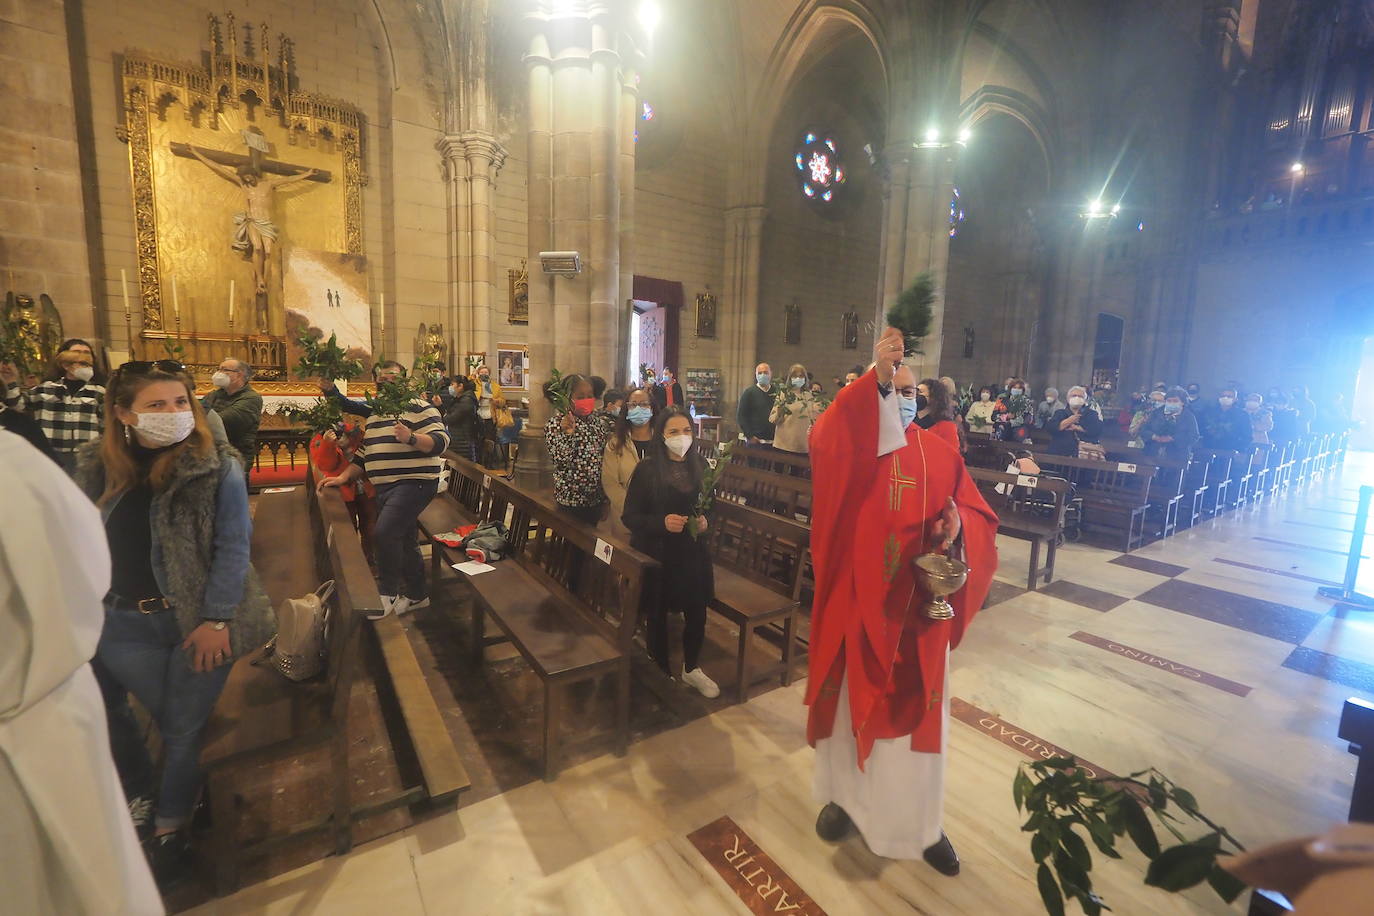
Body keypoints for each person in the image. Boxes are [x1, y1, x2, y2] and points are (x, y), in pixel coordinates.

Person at [73, 359, 274, 885]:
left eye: (181, 402)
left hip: (196, 623)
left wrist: (216, 618)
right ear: (123, 414)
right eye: (157, 405)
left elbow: (234, 546)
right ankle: (148, 793)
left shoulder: (217, 466)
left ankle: (169, 825)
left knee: (182, 729)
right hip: (123, 624)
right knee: (157, 719)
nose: (174, 413)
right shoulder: (97, 468)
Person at [806, 327, 998, 871]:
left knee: (913, 732)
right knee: (849, 718)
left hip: (917, 615)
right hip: (860, 607)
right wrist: (875, 373)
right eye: (893, 390)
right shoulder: (850, 451)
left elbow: (979, 514)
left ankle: (920, 826)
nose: (903, 399)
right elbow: (827, 434)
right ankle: (844, 801)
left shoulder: (940, 454)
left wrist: (956, 529)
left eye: (912, 391)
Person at [1, 430, 162, 915]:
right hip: (49, 698)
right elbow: (86, 562)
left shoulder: (12, 463)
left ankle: (171, 805)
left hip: (40, 707)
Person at [319, 361, 450, 617]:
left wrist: (411, 438)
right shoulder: (377, 411)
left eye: (393, 377)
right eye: (382, 377)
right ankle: (417, 595)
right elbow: (364, 454)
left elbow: (441, 442)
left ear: (405, 380)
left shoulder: (422, 408)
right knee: (405, 539)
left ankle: (387, 591)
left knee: (385, 532)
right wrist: (342, 477)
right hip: (385, 487)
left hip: (415, 482)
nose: (386, 381)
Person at [621, 407, 720, 698]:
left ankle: (692, 668)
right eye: (674, 432)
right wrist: (660, 523)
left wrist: (705, 521)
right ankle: (660, 667)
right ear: (661, 436)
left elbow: (712, 506)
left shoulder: (701, 465)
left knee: (697, 611)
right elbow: (630, 517)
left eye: (687, 431)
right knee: (658, 613)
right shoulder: (648, 469)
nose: (682, 437)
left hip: (693, 552)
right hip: (658, 553)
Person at [2, 348, 105, 472]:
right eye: (83, 364)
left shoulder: (98, 391)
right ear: (66, 366)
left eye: (89, 365)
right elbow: (18, 405)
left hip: (86, 453)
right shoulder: (45, 389)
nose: (87, 368)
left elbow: (105, 422)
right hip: (54, 452)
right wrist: (11, 382)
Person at [544, 372, 615, 524]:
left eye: (590, 396)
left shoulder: (598, 423)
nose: (586, 400)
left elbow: (605, 460)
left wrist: (606, 499)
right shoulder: (556, 424)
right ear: (567, 398)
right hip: (570, 500)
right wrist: (569, 434)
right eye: (580, 397)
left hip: (596, 498)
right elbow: (561, 460)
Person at [308, 419, 378, 568]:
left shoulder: (354, 431)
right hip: (342, 490)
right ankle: (351, 566)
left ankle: (371, 561)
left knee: (371, 525)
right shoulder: (320, 438)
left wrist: (353, 440)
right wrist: (328, 444)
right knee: (347, 530)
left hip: (366, 485)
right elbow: (326, 465)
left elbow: (369, 450)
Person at [603, 387, 655, 538]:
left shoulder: (662, 442)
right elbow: (610, 483)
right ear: (626, 410)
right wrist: (634, 507)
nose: (638, 408)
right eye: (633, 405)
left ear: (652, 408)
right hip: (624, 518)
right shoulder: (615, 444)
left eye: (644, 404)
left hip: (656, 519)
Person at [201, 357, 263, 475]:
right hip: (212, 454)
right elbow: (198, 413)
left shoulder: (251, 398)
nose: (219, 373)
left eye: (224, 370)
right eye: (219, 369)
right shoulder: (215, 394)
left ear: (239, 375)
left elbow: (222, 422)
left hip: (236, 456)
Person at [769, 363, 824, 455]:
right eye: (795, 376)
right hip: (784, 444)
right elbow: (773, 419)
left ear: (805, 378)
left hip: (802, 446)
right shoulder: (784, 394)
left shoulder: (808, 396)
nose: (798, 378)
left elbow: (812, 419)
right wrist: (780, 410)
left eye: (801, 376)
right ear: (790, 378)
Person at [1141, 388, 1200, 462]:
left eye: (1175, 401)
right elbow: (1144, 430)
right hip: (1153, 453)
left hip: (1177, 456)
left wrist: (1173, 438)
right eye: (1169, 401)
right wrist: (1154, 436)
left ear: (1183, 402)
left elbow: (1194, 436)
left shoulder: (1189, 416)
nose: (1171, 403)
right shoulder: (1156, 413)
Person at [1047, 386, 1103, 456]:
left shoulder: (1092, 414)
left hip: (1084, 454)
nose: (1077, 398)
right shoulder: (1060, 413)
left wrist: (1076, 427)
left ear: (1085, 400)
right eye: (1074, 395)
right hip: (1060, 452)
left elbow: (1096, 430)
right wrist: (1069, 420)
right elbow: (1051, 428)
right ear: (1068, 398)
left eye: (1080, 396)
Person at [911, 376, 961, 452]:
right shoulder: (908, 420)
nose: (916, 396)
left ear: (933, 397)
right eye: (915, 392)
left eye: (920, 392)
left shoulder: (946, 427)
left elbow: (952, 454)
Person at [1201, 386, 1253, 453]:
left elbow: (1247, 436)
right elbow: (1201, 428)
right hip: (1208, 448)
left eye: (1229, 396)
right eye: (1223, 396)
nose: (1225, 398)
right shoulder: (1209, 412)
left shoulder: (1242, 415)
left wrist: (1239, 450)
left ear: (1235, 399)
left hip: (1231, 451)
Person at [473, 363, 505, 469]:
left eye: (486, 372)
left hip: (490, 416)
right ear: (478, 374)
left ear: (489, 374)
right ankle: (478, 463)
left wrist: (495, 400)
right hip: (477, 416)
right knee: (478, 440)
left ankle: (489, 464)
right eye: (481, 372)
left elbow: (503, 402)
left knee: (490, 440)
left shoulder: (495, 386)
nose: (484, 374)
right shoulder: (474, 384)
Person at [737, 362, 776, 445]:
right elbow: (741, 416)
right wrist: (749, 436)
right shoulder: (749, 393)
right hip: (755, 441)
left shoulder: (777, 392)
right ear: (756, 375)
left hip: (774, 441)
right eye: (760, 373)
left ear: (770, 374)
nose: (763, 375)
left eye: (765, 372)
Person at [444, 375, 481, 462]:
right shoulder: (458, 399)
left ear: (460, 386)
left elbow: (452, 418)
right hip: (457, 439)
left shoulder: (467, 400)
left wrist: (442, 418)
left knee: (463, 467)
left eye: (452, 384)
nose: (450, 387)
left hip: (463, 441)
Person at [992, 377, 1033, 442]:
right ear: (1010, 389)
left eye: (1019, 388)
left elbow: (1029, 418)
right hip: (1003, 429)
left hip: (1019, 430)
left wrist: (1016, 418)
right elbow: (994, 416)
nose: (1016, 390)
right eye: (1014, 388)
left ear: (1023, 390)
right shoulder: (1002, 400)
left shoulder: (1027, 402)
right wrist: (1006, 417)